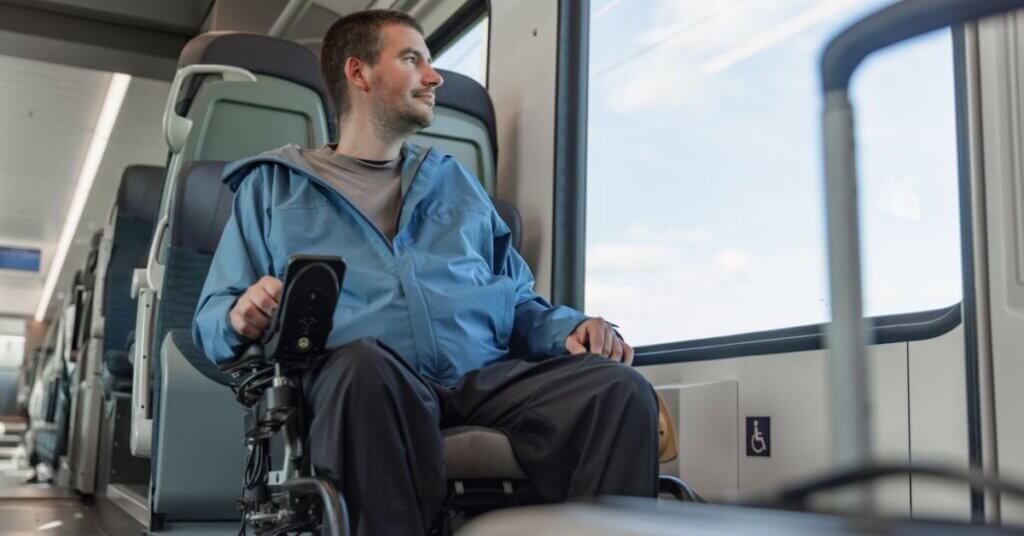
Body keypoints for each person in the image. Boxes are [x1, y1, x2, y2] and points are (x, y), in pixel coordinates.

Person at [192, 9, 658, 535]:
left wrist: (568, 327)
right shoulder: (274, 188)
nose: (434, 77)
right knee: (362, 369)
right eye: (412, 59)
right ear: (359, 73)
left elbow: (515, 298)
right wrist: (239, 316)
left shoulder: (454, 182)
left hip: (480, 378)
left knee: (618, 392)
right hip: (371, 383)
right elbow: (211, 319)